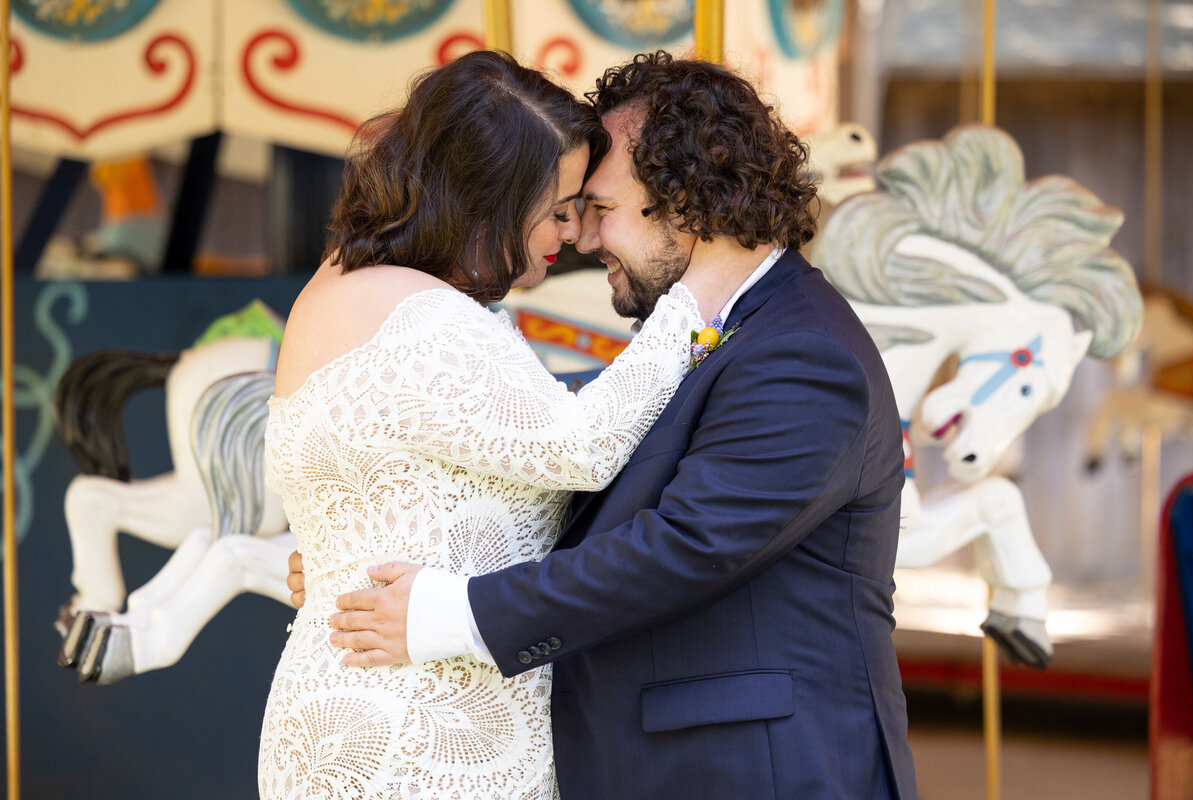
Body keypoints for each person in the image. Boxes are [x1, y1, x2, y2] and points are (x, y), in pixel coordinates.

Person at [295, 51, 918, 799]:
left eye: (601, 209)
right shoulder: (713, 329)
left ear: (687, 203)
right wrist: (369, 549)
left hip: (760, 771)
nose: (583, 241)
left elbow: (687, 545)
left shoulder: (803, 353)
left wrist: (454, 612)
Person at [258, 50, 731, 800]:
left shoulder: (358, 285)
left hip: (386, 707)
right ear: (491, 198)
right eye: (558, 205)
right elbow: (580, 447)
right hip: (411, 730)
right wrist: (704, 284)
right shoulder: (413, 312)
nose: (572, 230)